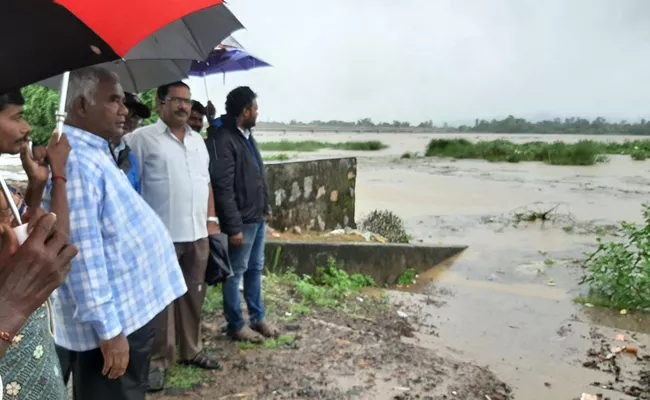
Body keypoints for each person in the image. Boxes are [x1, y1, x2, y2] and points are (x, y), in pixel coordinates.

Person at [43, 67, 187, 400]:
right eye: (114, 101)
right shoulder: (76, 163)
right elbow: (83, 257)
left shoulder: (96, 150)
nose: (124, 110)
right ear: (81, 105)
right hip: (114, 323)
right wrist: (109, 331)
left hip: (128, 312)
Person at [127, 82, 220, 392]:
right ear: (160, 103)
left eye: (187, 101)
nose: (183, 106)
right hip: (160, 236)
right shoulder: (141, 140)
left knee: (194, 295)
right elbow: (129, 184)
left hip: (197, 233)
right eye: (176, 100)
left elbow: (205, 183)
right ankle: (157, 360)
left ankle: (191, 350)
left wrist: (211, 220)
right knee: (161, 302)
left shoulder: (198, 142)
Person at [0, 90, 72, 400]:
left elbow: (37, 248)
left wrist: (37, 187)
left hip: (31, 352)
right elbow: (52, 252)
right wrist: (58, 175)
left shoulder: (3, 185)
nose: (27, 127)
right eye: (16, 117)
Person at [206, 86, 279, 343]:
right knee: (234, 272)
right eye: (255, 108)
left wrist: (265, 207)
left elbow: (257, 174)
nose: (257, 112)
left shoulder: (246, 136)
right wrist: (234, 226)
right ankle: (236, 324)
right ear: (245, 110)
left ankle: (257, 318)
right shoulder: (224, 138)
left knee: (255, 268)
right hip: (241, 221)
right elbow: (223, 186)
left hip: (256, 216)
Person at [111, 92, 150, 193]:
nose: (131, 121)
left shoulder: (130, 157)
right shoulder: (95, 148)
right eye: (128, 113)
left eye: (137, 117)